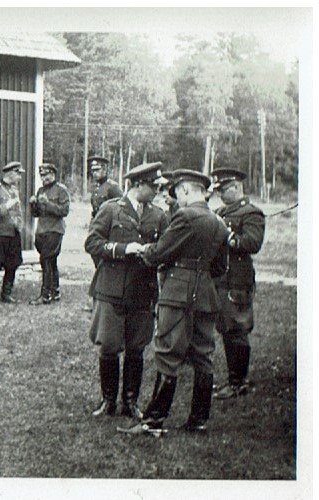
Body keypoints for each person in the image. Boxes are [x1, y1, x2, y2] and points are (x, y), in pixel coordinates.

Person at [119, 169, 229, 436]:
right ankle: (198, 420)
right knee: (203, 355)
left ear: (186, 190)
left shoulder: (185, 216)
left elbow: (159, 253)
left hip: (178, 293)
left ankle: (153, 421)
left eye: (177, 193)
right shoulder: (219, 222)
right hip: (206, 295)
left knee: (168, 352)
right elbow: (220, 267)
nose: (177, 199)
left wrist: (145, 250)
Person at [84, 162, 169, 419]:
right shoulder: (111, 209)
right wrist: (123, 249)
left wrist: (152, 255)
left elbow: (165, 249)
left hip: (142, 290)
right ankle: (108, 401)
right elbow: (92, 243)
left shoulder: (159, 215)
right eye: (153, 186)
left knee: (136, 347)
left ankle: (130, 402)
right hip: (111, 288)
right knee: (109, 346)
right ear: (138, 185)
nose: (157, 191)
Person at [210, 168, 265, 399]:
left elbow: (252, 243)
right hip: (222, 279)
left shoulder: (251, 213)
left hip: (237, 280)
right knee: (226, 327)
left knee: (237, 330)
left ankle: (238, 382)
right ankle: (234, 379)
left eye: (223, 190)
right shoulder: (222, 211)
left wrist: (228, 237)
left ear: (236, 187)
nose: (220, 194)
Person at [84, 156, 123, 312]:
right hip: (97, 227)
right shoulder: (97, 188)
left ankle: (102, 299)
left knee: (104, 264)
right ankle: (98, 298)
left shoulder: (113, 187)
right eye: (92, 170)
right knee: (97, 263)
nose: (94, 173)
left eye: (98, 170)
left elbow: (121, 208)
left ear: (106, 170)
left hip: (109, 230)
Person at [29, 162, 70, 304]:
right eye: (41, 175)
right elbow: (36, 214)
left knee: (46, 260)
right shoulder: (40, 190)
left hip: (55, 230)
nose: (43, 178)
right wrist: (33, 204)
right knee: (50, 262)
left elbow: (64, 211)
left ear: (53, 174)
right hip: (42, 230)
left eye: (46, 175)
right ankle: (55, 291)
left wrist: (48, 203)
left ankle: (45, 295)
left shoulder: (61, 190)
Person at [0, 161, 25, 303]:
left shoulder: (14, 190)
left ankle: (6, 294)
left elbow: (18, 211)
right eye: (18, 174)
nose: (20, 178)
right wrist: (6, 206)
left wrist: (19, 224)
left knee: (13, 264)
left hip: (13, 233)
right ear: (11, 173)